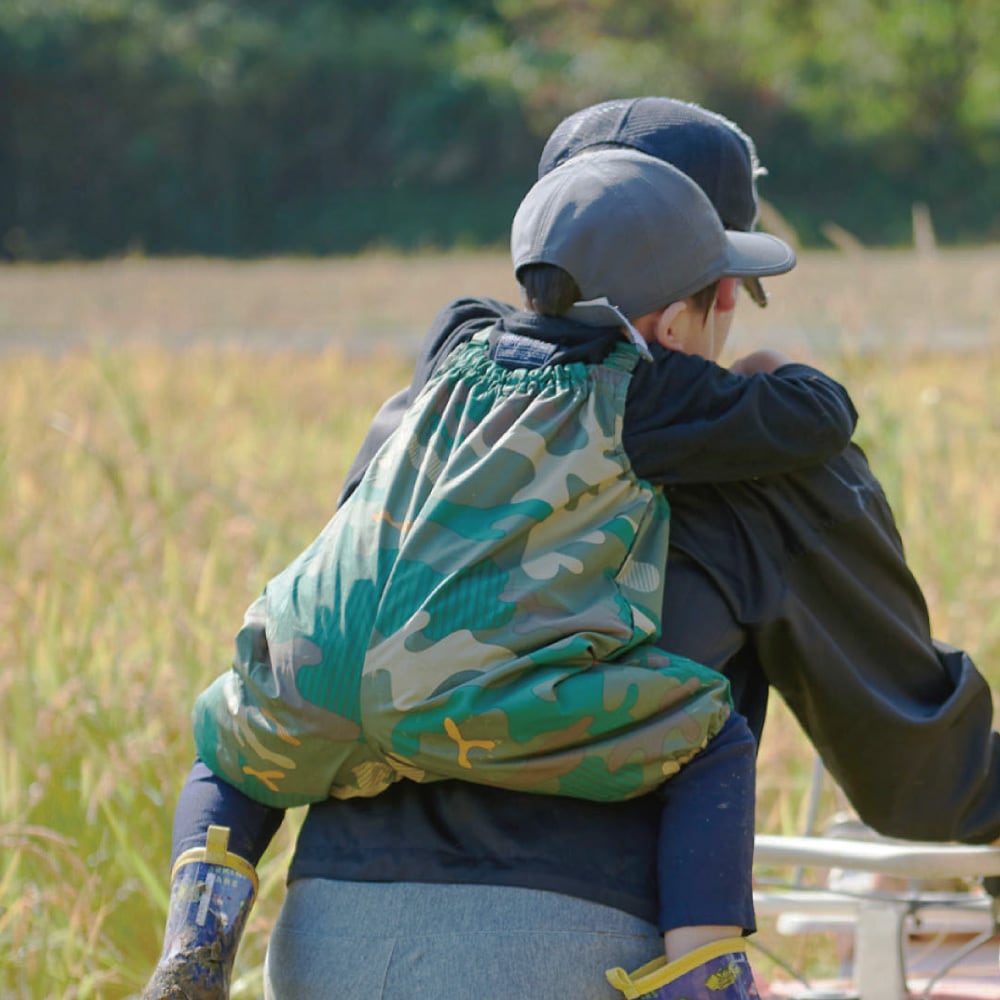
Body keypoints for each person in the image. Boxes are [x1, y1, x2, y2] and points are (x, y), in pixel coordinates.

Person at [145, 97, 1000, 1000]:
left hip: (320, 936)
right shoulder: (756, 452)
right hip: (576, 944)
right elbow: (916, 778)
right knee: (711, 735)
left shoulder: (429, 412)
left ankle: (194, 932)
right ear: (706, 299)